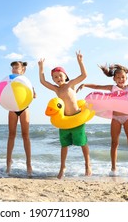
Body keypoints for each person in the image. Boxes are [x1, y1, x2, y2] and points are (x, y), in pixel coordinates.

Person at [38, 51, 91, 179]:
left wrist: (80, 62)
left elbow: (84, 75)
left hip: (77, 119)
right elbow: (42, 82)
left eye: (60, 75)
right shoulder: (56, 89)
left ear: (65, 75)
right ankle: (62, 167)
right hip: (65, 121)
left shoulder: (70, 84)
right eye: (55, 77)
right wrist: (41, 68)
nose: (58, 79)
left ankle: (87, 164)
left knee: (83, 143)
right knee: (64, 145)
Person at [6, 61, 36, 177]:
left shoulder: (26, 81)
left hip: (24, 108)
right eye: (12, 67)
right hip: (12, 108)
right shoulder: (9, 80)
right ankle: (8, 163)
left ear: (22, 70)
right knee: (11, 135)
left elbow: (34, 95)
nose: (14, 69)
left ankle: (28, 164)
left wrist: (33, 92)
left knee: (25, 135)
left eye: (16, 67)